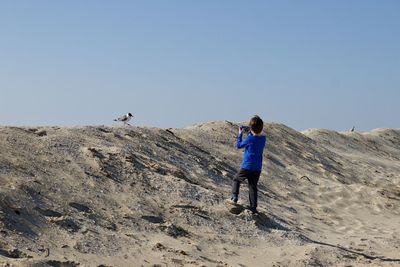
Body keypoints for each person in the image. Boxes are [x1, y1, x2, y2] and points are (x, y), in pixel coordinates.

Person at [229, 115, 267, 214]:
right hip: (257, 168)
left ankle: (234, 197)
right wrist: (251, 131)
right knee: (253, 187)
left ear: (251, 128)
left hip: (247, 166)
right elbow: (256, 137)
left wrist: (240, 134)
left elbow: (238, 145)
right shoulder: (263, 139)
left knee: (236, 179)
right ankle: (253, 207)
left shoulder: (249, 139)